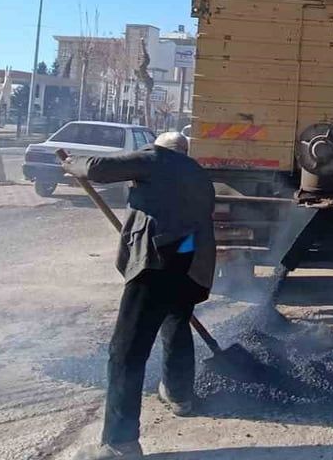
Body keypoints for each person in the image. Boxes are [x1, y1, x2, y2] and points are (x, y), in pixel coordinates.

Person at [62, 131, 215, 460]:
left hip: (158, 264)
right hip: (191, 262)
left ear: (158, 147)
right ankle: (179, 395)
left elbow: (99, 168)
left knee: (126, 352)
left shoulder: (155, 159)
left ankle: (120, 443)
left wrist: (71, 163)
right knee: (176, 322)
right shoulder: (197, 172)